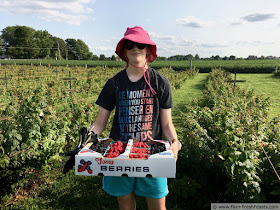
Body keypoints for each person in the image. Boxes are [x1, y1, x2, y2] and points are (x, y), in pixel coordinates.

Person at [88, 26, 182, 210]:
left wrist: (175, 141)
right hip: (118, 155)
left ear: (148, 49)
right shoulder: (114, 83)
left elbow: (167, 123)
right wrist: (87, 138)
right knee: (126, 206)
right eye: (130, 44)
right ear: (124, 51)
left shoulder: (159, 82)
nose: (135, 48)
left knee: (157, 204)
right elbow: (100, 123)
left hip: (151, 154)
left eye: (140, 44)